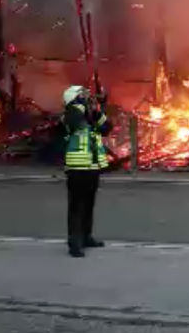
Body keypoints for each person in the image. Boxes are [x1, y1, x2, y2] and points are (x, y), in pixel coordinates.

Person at [62, 84, 113, 258]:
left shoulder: (89, 113)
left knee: (89, 204)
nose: (87, 97)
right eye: (82, 95)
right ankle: (74, 243)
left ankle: (86, 236)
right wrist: (86, 106)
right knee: (77, 205)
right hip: (77, 167)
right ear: (73, 98)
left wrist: (100, 109)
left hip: (92, 167)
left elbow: (107, 128)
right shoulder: (70, 112)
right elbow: (76, 122)